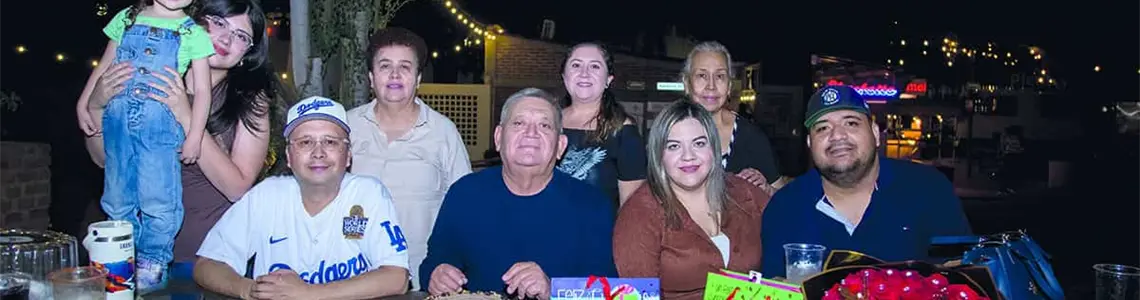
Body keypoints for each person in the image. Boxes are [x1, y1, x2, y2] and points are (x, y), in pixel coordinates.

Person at [82, 0, 284, 275]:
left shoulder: (250, 101)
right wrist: (96, 105)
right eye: (219, 22)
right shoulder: (147, 73)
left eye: (241, 36)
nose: (226, 38)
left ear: (247, 53)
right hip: (130, 252)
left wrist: (187, 116)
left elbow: (237, 188)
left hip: (204, 260)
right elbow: (103, 159)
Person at [194, 96, 410, 299]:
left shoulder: (368, 194)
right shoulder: (266, 195)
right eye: (305, 142)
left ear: (348, 155)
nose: (318, 152)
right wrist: (250, 290)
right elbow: (207, 264)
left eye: (331, 142)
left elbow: (396, 278)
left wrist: (309, 293)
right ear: (288, 156)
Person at [420, 88, 617, 299]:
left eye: (544, 125)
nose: (531, 133)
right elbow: (433, 263)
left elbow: (611, 291)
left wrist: (554, 290)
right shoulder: (465, 194)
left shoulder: (592, 205)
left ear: (560, 146)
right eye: (519, 123)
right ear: (498, 138)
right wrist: (436, 274)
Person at [760, 86, 972, 279]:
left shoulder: (929, 190)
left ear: (875, 134)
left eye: (851, 123)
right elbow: (775, 286)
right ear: (809, 143)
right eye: (822, 128)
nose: (837, 136)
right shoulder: (785, 208)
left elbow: (961, 274)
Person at [346, 27, 472, 290]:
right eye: (385, 66)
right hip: (351, 276)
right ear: (371, 78)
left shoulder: (442, 131)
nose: (394, 75)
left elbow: (466, 207)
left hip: (421, 279)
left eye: (405, 67)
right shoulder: (345, 127)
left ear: (418, 78)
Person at [613, 101, 769, 300]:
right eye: (674, 146)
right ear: (658, 155)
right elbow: (637, 295)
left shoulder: (746, 193)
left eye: (699, 143)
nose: (688, 156)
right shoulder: (638, 214)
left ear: (713, 148)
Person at [680, 41, 785, 195]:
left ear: (729, 86)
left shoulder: (751, 137)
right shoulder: (668, 134)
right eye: (702, 75)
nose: (711, 86)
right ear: (687, 84)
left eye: (720, 76)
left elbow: (782, 197)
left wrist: (766, 190)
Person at [556, 42, 647, 206]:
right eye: (576, 65)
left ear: (608, 80)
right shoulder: (546, 123)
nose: (584, 73)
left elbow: (631, 208)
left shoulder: (623, 132)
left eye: (595, 67)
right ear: (564, 76)